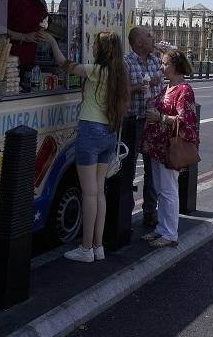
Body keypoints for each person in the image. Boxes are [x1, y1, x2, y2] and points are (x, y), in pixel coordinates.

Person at [39, 30, 129, 262]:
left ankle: (86, 248)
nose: (93, 48)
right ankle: (98, 246)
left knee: (88, 193)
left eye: (95, 45)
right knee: (99, 192)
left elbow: (64, 65)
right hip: (108, 135)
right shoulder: (120, 74)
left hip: (90, 131)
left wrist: (51, 41)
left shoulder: (96, 71)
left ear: (103, 49)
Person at [141, 49, 199, 248]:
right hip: (159, 146)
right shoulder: (167, 87)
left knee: (169, 190)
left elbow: (186, 120)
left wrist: (161, 118)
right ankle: (161, 228)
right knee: (160, 190)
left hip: (170, 147)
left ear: (175, 66)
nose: (162, 67)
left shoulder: (184, 90)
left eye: (165, 64)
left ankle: (170, 234)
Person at [123, 26, 164, 228]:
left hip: (153, 120)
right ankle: (125, 214)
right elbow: (121, 91)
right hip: (133, 121)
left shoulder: (158, 61)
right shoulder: (127, 62)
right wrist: (141, 87)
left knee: (152, 170)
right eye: (149, 35)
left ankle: (150, 212)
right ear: (139, 42)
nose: (153, 36)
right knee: (128, 169)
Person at [7, 0, 49, 92]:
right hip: (10, 61)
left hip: (30, 60)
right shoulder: (11, 0)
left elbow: (46, 23)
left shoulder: (38, 4)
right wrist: (24, 37)